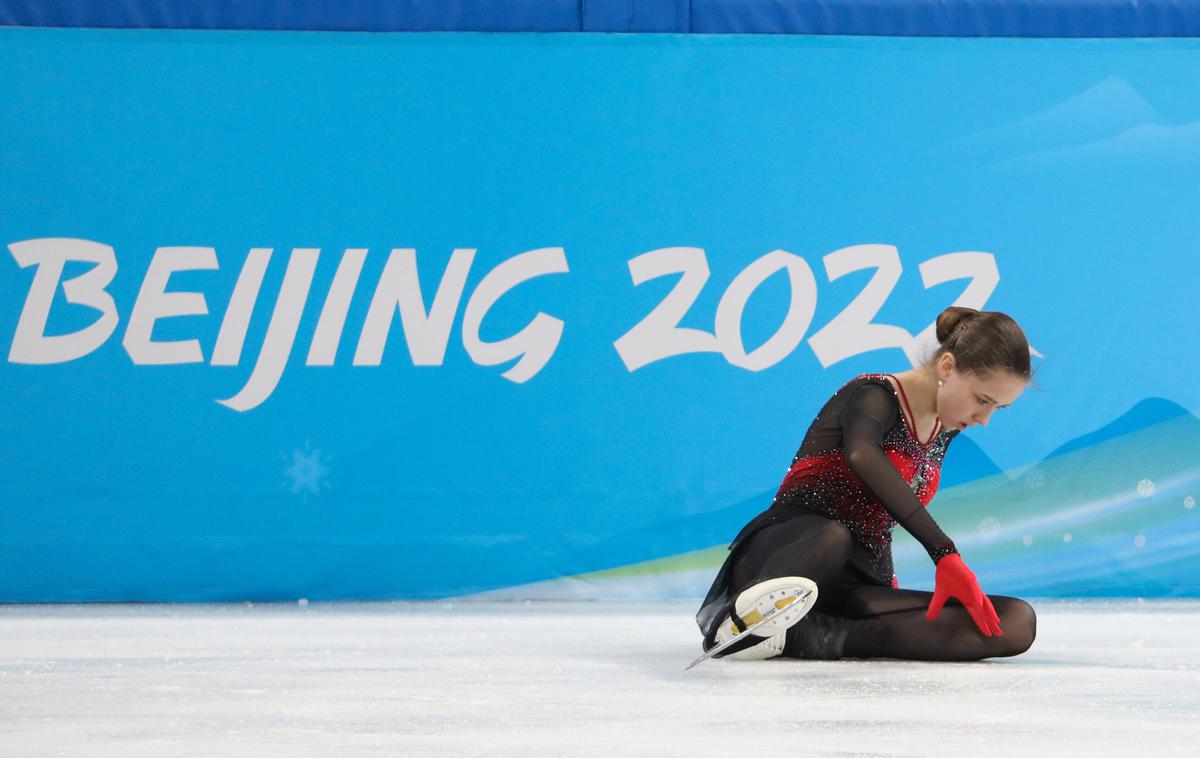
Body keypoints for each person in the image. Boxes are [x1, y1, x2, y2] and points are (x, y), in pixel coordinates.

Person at [695, 306, 1037, 662]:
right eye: (983, 400)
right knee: (833, 536)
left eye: (999, 408)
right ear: (947, 367)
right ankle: (741, 622)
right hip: (790, 557)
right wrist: (944, 552)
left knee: (1014, 619)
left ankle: (814, 636)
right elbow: (863, 455)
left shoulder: (944, 430)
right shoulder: (873, 394)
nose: (984, 419)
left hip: (856, 583)